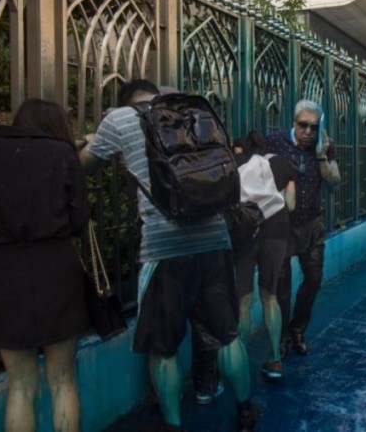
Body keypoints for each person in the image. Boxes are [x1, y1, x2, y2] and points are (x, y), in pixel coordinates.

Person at [79, 80, 259, 432]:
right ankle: (247, 411)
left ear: (126, 102)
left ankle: (173, 425)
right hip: (215, 240)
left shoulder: (119, 120)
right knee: (227, 335)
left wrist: (92, 142)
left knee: (162, 348)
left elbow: (83, 165)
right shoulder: (190, 113)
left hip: (165, 248)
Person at [0, 98, 90, 432]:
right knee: (62, 380)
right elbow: (79, 220)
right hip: (56, 270)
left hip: (2, 272)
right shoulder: (62, 156)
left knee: (20, 386)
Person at [266, 100, 341, 357]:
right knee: (282, 288)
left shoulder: (323, 146)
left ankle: (298, 329)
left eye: (313, 127)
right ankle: (284, 336)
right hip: (281, 226)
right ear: (294, 122)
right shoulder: (274, 142)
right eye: (303, 125)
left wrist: (321, 154)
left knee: (314, 278)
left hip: (312, 223)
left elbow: (335, 182)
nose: (308, 132)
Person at [232, 131, 296, 379]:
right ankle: (276, 360)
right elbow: (290, 204)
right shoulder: (281, 163)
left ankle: (238, 363)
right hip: (277, 228)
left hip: (246, 228)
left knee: (244, 300)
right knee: (270, 296)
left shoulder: (236, 162)